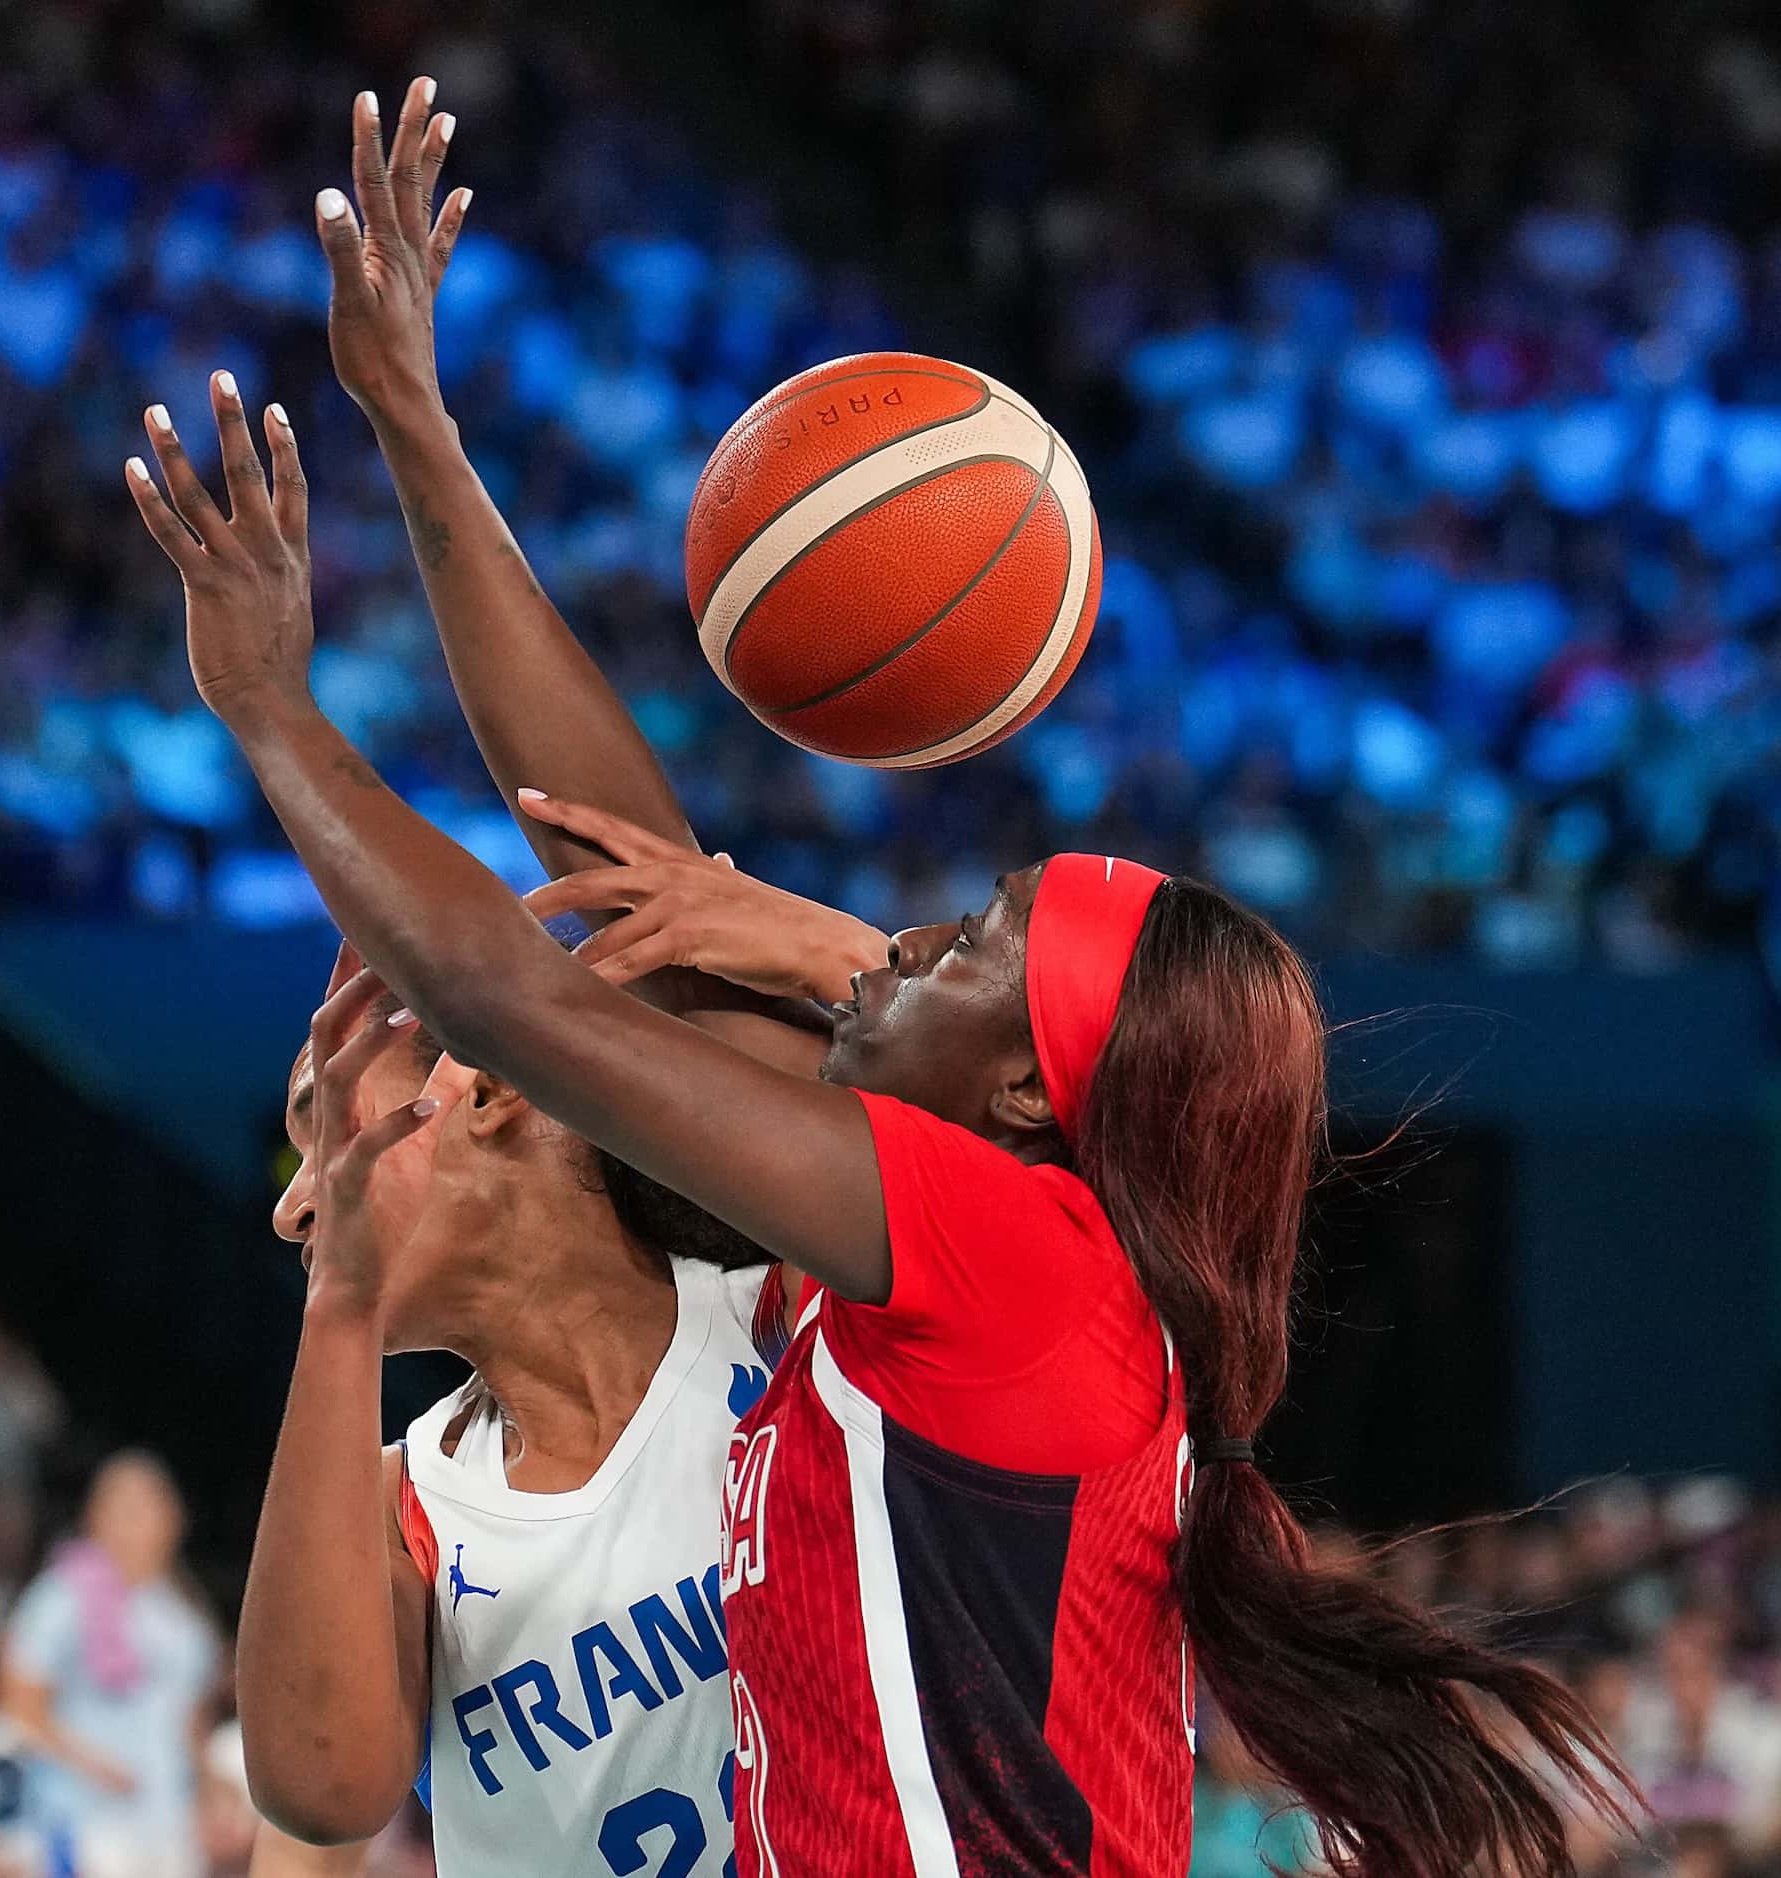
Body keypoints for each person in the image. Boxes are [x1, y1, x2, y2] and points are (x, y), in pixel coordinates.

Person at [123, 102, 1630, 1875]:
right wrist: (420, 435)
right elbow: (616, 880)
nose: (893, 936)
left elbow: (519, 991)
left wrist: (274, 713)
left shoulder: (990, 1260)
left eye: (962, 944)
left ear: (1022, 1102)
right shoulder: (885, 1304)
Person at [233, 79, 835, 1874]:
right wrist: (339, 1316)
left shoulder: (792, 1306)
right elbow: (321, 1795)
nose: (299, 1203)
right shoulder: (404, 1506)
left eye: (317, 1124)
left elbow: (616, 877)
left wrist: (416, 428)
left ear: (498, 1092)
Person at [0, 1451, 218, 1878]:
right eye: (123, 1509)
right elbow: (18, 1703)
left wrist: (209, 1794)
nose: (135, 1523)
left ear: (173, 1519)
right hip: (86, 1818)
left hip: (169, 1819)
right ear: (95, 1518)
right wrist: (95, 1765)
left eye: (147, 1507)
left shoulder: (182, 1611)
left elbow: (192, 1722)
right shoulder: (61, 1596)